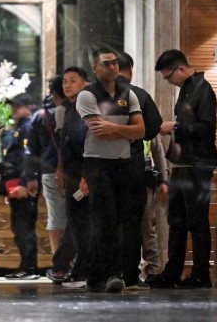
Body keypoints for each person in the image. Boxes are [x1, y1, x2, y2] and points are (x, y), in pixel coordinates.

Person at [76, 49, 145, 293]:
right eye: (106, 64)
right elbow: (98, 132)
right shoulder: (87, 95)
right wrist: (126, 131)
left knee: (118, 221)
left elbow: (142, 131)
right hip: (97, 163)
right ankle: (112, 274)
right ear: (95, 68)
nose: (112, 67)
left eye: (115, 63)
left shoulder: (129, 94)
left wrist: (115, 128)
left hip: (123, 163)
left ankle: (95, 276)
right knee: (105, 221)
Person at [150, 49, 217, 290]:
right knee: (176, 220)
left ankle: (201, 274)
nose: (169, 82)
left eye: (169, 77)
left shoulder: (203, 89)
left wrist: (175, 127)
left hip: (197, 165)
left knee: (197, 222)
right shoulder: (187, 89)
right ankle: (172, 272)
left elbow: (207, 128)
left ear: (180, 68)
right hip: (182, 164)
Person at [116, 51, 163, 290]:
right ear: (130, 69)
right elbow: (153, 128)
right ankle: (131, 277)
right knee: (132, 223)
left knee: (107, 222)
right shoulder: (140, 95)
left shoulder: (96, 95)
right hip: (133, 168)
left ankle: (107, 274)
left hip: (104, 168)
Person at [50, 67, 91, 288]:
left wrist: (86, 176)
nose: (67, 85)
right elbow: (64, 147)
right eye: (65, 81)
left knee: (80, 224)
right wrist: (60, 173)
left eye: (73, 80)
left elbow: (88, 145)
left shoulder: (86, 109)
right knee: (75, 223)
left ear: (85, 83)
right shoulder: (68, 110)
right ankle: (68, 266)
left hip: (83, 175)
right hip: (71, 174)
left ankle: (82, 270)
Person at [24, 77, 67, 255]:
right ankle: (75, 262)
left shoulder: (40, 116)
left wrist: (30, 177)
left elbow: (30, 150)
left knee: (56, 217)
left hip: (49, 172)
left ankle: (59, 261)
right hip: (76, 173)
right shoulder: (78, 111)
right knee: (75, 217)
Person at [0, 93, 40, 280]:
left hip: (22, 184)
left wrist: (24, 182)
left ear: (29, 107)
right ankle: (25, 265)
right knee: (19, 227)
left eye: (18, 106)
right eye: (13, 106)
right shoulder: (18, 129)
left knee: (24, 227)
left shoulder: (27, 127)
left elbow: (28, 158)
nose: (14, 110)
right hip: (15, 183)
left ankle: (29, 267)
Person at [140, 136, 170, 284]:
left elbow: (158, 152)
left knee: (147, 227)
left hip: (145, 181)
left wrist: (164, 179)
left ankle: (153, 269)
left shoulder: (148, 124)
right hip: (125, 178)